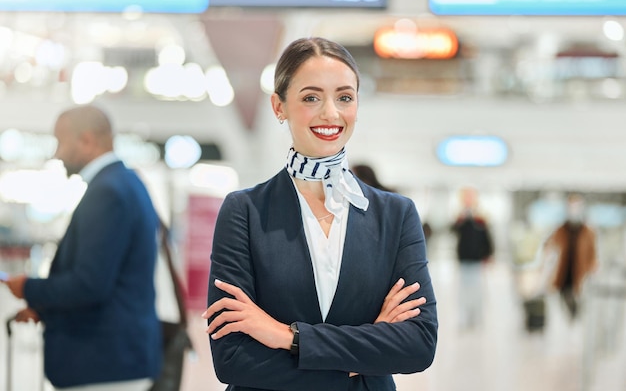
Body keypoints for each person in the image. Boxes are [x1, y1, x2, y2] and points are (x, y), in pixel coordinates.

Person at [202, 37, 437, 391]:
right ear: (279, 106)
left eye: (344, 97)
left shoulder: (395, 215)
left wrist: (287, 337)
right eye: (311, 97)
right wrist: (364, 355)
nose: (331, 113)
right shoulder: (245, 212)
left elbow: (418, 345)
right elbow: (232, 357)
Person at [2, 105, 162, 391]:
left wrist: (29, 288)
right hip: (114, 361)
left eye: (60, 142)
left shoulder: (108, 192)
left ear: (86, 140)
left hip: (104, 365)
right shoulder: (124, 183)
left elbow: (90, 284)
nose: (57, 154)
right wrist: (46, 310)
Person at [544, 193, 597, 320]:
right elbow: (548, 247)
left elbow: (593, 255)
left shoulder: (588, 232)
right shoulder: (560, 230)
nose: (574, 210)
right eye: (571, 207)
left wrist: (591, 272)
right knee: (563, 312)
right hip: (562, 277)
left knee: (578, 313)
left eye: (576, 207)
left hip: (580, 278)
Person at [451, 186, 493, 330]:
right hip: (463, 260)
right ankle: (464, 318)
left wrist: (488, 254)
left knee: (477, 291)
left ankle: (477, 318)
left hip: (477, 260)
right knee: (463, 291)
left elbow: (487, 239)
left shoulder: (480, 219)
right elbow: (452, 230)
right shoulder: (460, 218)